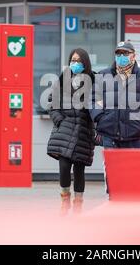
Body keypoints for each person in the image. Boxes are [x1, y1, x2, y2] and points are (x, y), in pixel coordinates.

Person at [47, 48, 95, 214]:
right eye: (72, 60)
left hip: (83, 132)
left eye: (78, 61)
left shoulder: (94, 80)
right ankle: (65, 199)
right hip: (65, 130)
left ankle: (78, 203)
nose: (74, 63)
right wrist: (59, 119)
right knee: (64, 166)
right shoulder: (63, 79)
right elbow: (51, 103)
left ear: (85, 63)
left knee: (79, 170)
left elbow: (98, 105)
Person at [90, 41, 140, 149]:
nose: (121, 56)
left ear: (134, 55)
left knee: (131, 166)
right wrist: (100, 117)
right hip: (109, 134)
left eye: (125, 53)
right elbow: (93, 100)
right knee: (112, 166)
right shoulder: (103, 75)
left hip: (134, 134)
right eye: (118, 53)